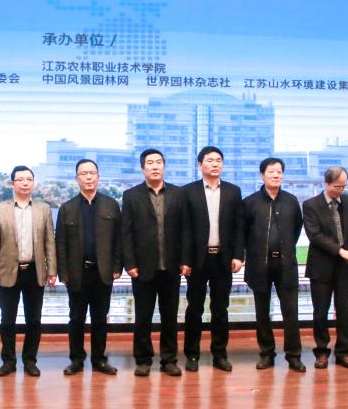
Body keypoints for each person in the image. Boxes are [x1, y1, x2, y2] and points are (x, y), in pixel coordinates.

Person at [121, 149, 186, 377]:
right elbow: (126, 233)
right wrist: (130, 263)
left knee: (170, 317)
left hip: (171, 267)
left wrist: (185, 260)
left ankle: (169, 360)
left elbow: (185, 230)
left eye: (159, 162)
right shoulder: (131, 196)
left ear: (164, 167)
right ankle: (143, 359)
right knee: (143, 316)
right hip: (143, 268)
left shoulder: (178, 194)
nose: (155, 166)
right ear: (143, 168)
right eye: (150, 163)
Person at [0, 166, 57, 377]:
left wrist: (52, 270)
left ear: (33, 183)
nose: (25, 183)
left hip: (35, 271)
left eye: (29, 179)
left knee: (34, 320)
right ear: (12, 184)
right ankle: (8, 361)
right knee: (7, 320)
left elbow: (49, 242)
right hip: (8, 271)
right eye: (20, 179)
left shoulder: (43, 209)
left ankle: (30, 361)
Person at [55, 159, 121, 376]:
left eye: (92, 173)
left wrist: (117, 266)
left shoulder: (111, 205)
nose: (88, 177)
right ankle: (76, 360)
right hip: (77, 273)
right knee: (76, 319)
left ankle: (99, 359)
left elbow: (118, 240)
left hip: (103, 272)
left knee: (100, 319)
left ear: (98, 177)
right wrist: (63, 273)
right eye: (83, 174)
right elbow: (60, 244)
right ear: (77, 179)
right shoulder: (67, 208)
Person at [181, 146, 244, 373]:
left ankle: (220, 354)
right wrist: (184, 260)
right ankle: (192, 354)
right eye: (210, 160)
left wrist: (238, 255)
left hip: (223, 259)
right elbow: (184, 229)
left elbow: (238, 226)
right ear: (200, 165)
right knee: (194, 308)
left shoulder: (233, 191)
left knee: (220, 309)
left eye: (219, 160)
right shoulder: (188, 192)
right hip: (197, 260)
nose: (215, 164)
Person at [243, 157, 305, 373]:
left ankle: (294, 355)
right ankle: (266, 353)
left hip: (286, 265)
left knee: (291, 312)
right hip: (259, 266)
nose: (276, 175)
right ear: (262, 175)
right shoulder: (250, 202)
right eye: (271, 172)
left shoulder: (291, 201)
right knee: (262, 313)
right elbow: (244, 233)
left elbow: (296, 229)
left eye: (279, 171)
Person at [302, 166, 348, 369]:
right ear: (326, 183)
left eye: (344, 186)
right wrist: (340, 251)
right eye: (337, 187)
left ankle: (344, 353)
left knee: (344, 311)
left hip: (345, 267)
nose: (340, 190)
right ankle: (321, 352)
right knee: (321, 312)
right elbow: (315, 236)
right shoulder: (311, 205)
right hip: (321, 266)